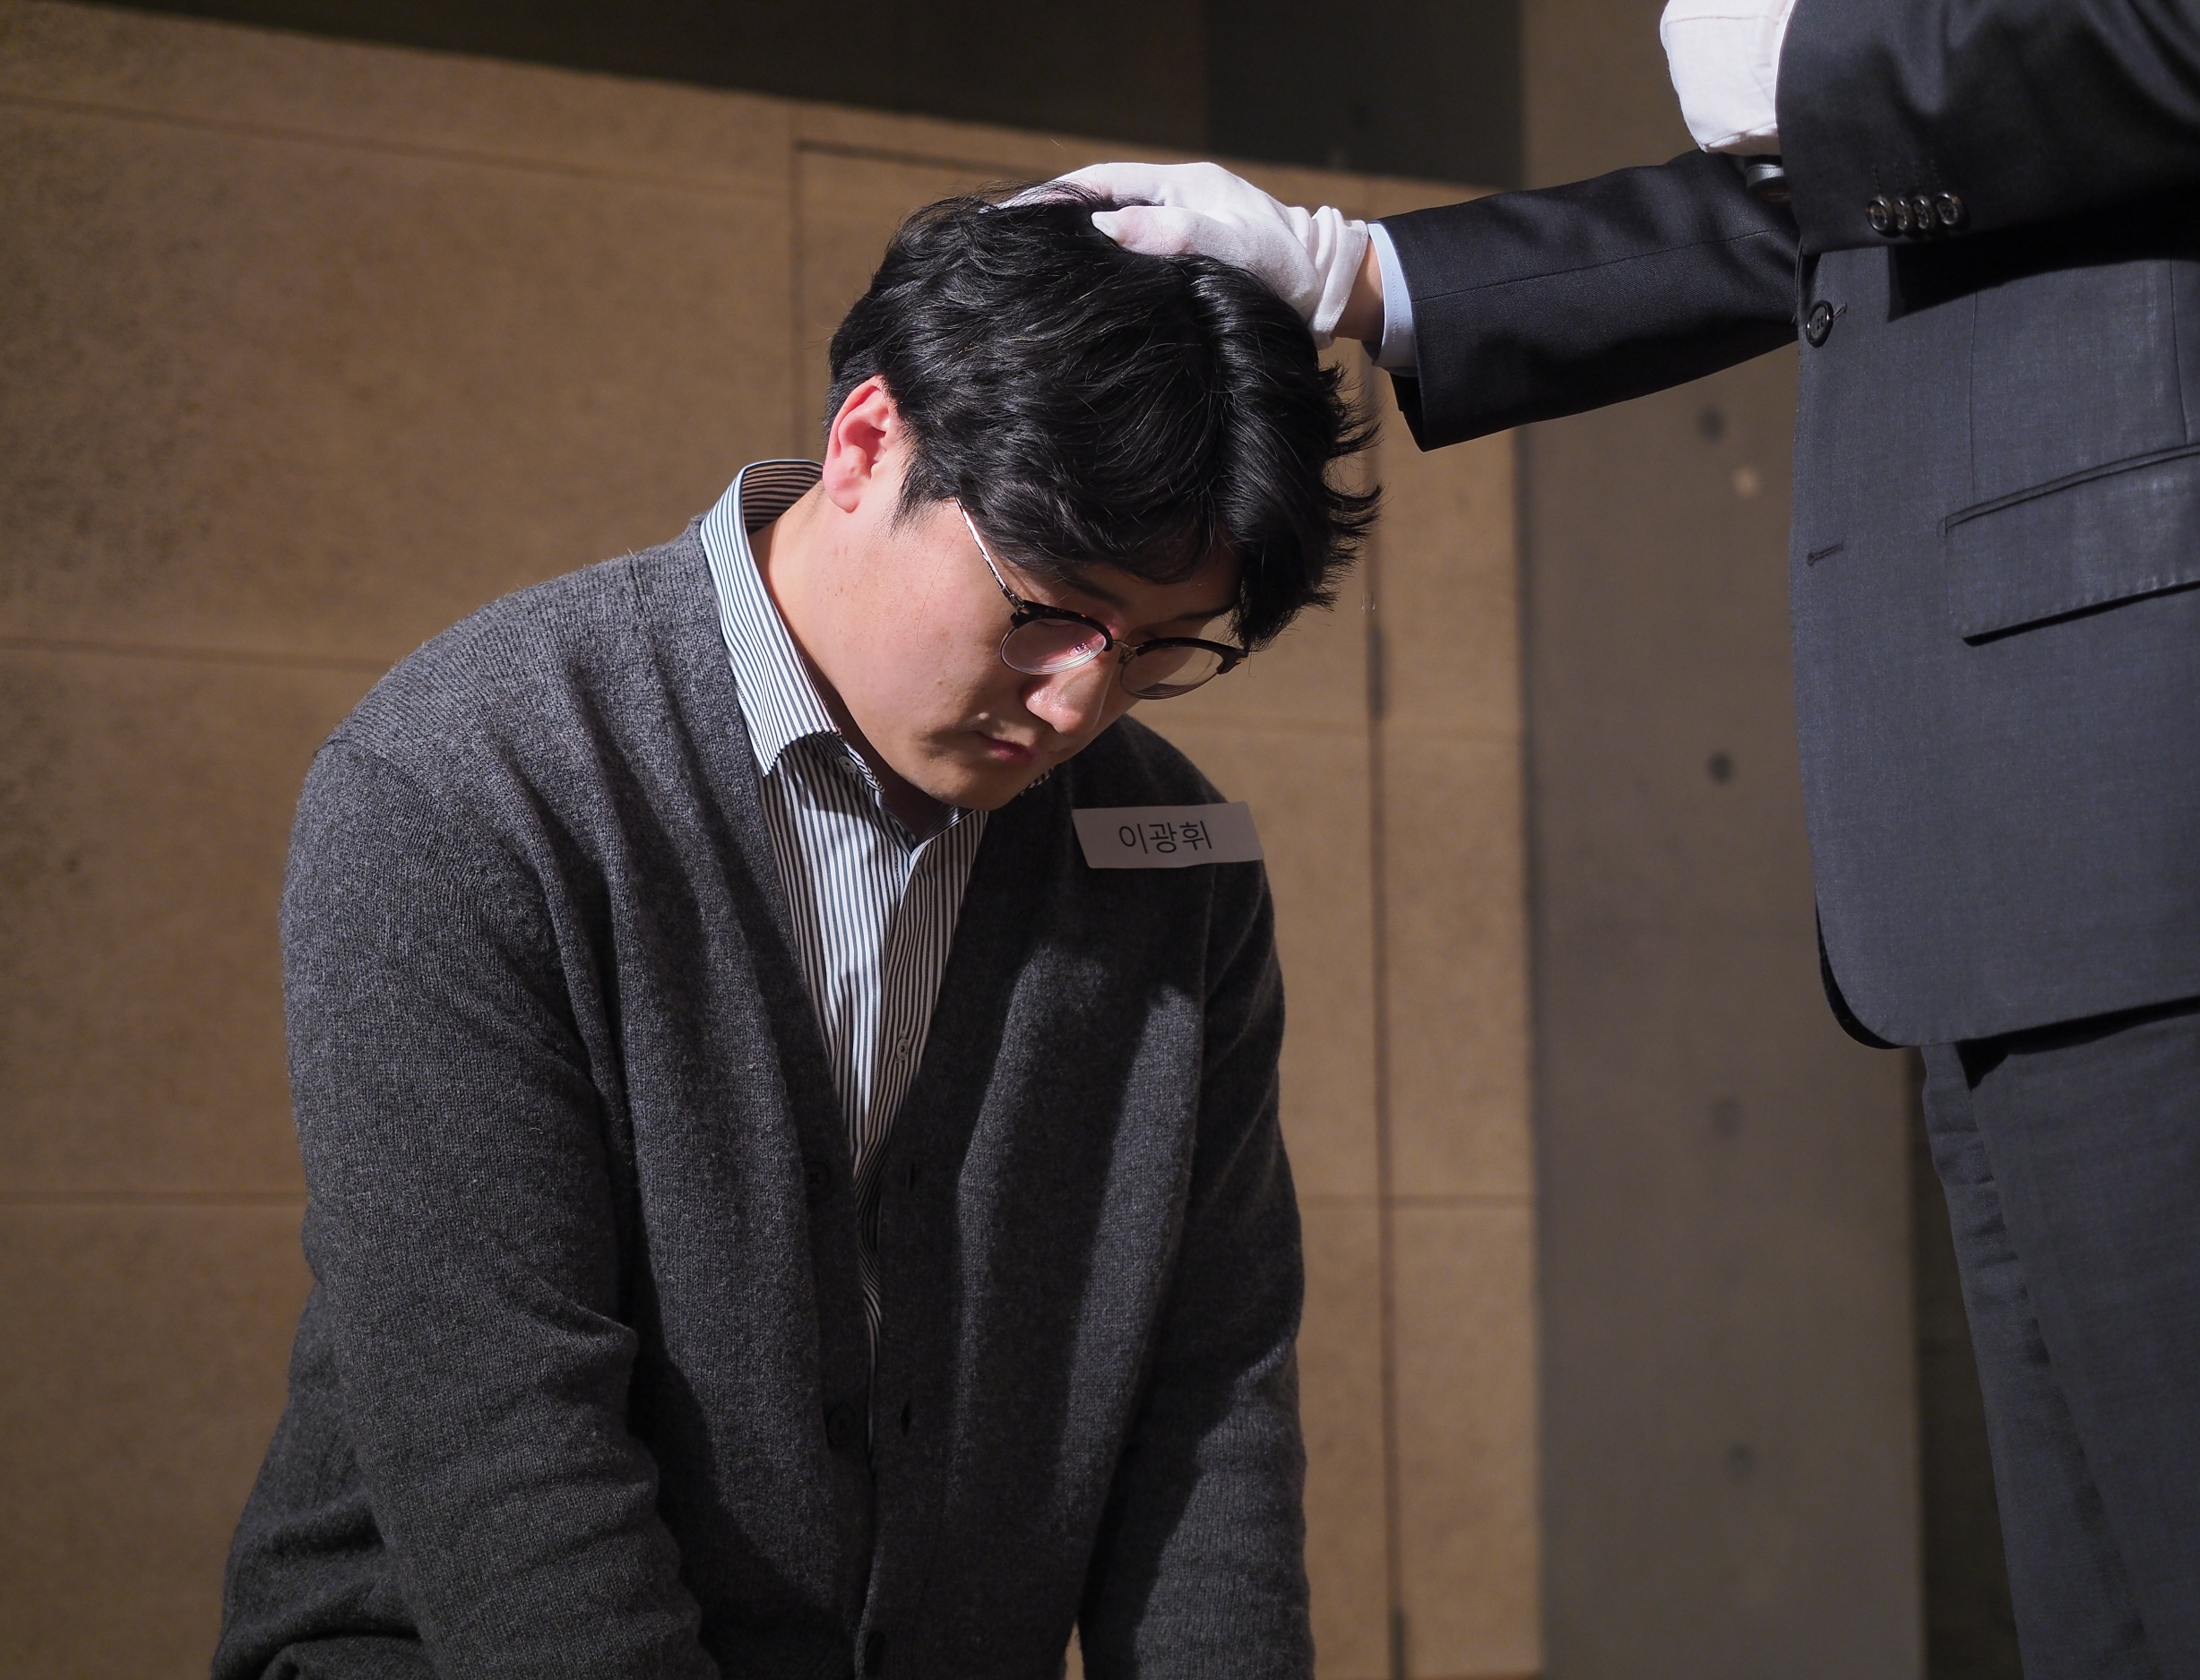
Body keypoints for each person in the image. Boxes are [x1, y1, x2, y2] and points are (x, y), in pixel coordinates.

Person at [1058, 2, 2200, 1675]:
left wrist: (1830, 57)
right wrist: (1355, 274)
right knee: (2118, 1606)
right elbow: (1865, 195)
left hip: (2168, 779)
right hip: (2022, 818)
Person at [212, 188, 1375, 1680]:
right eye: (1049, 610)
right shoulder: (471, 779)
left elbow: (1210, 1392)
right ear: (868, 442)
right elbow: (498, 1428)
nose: (1083, 702)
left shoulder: (1173, 851)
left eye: (1160, 649)